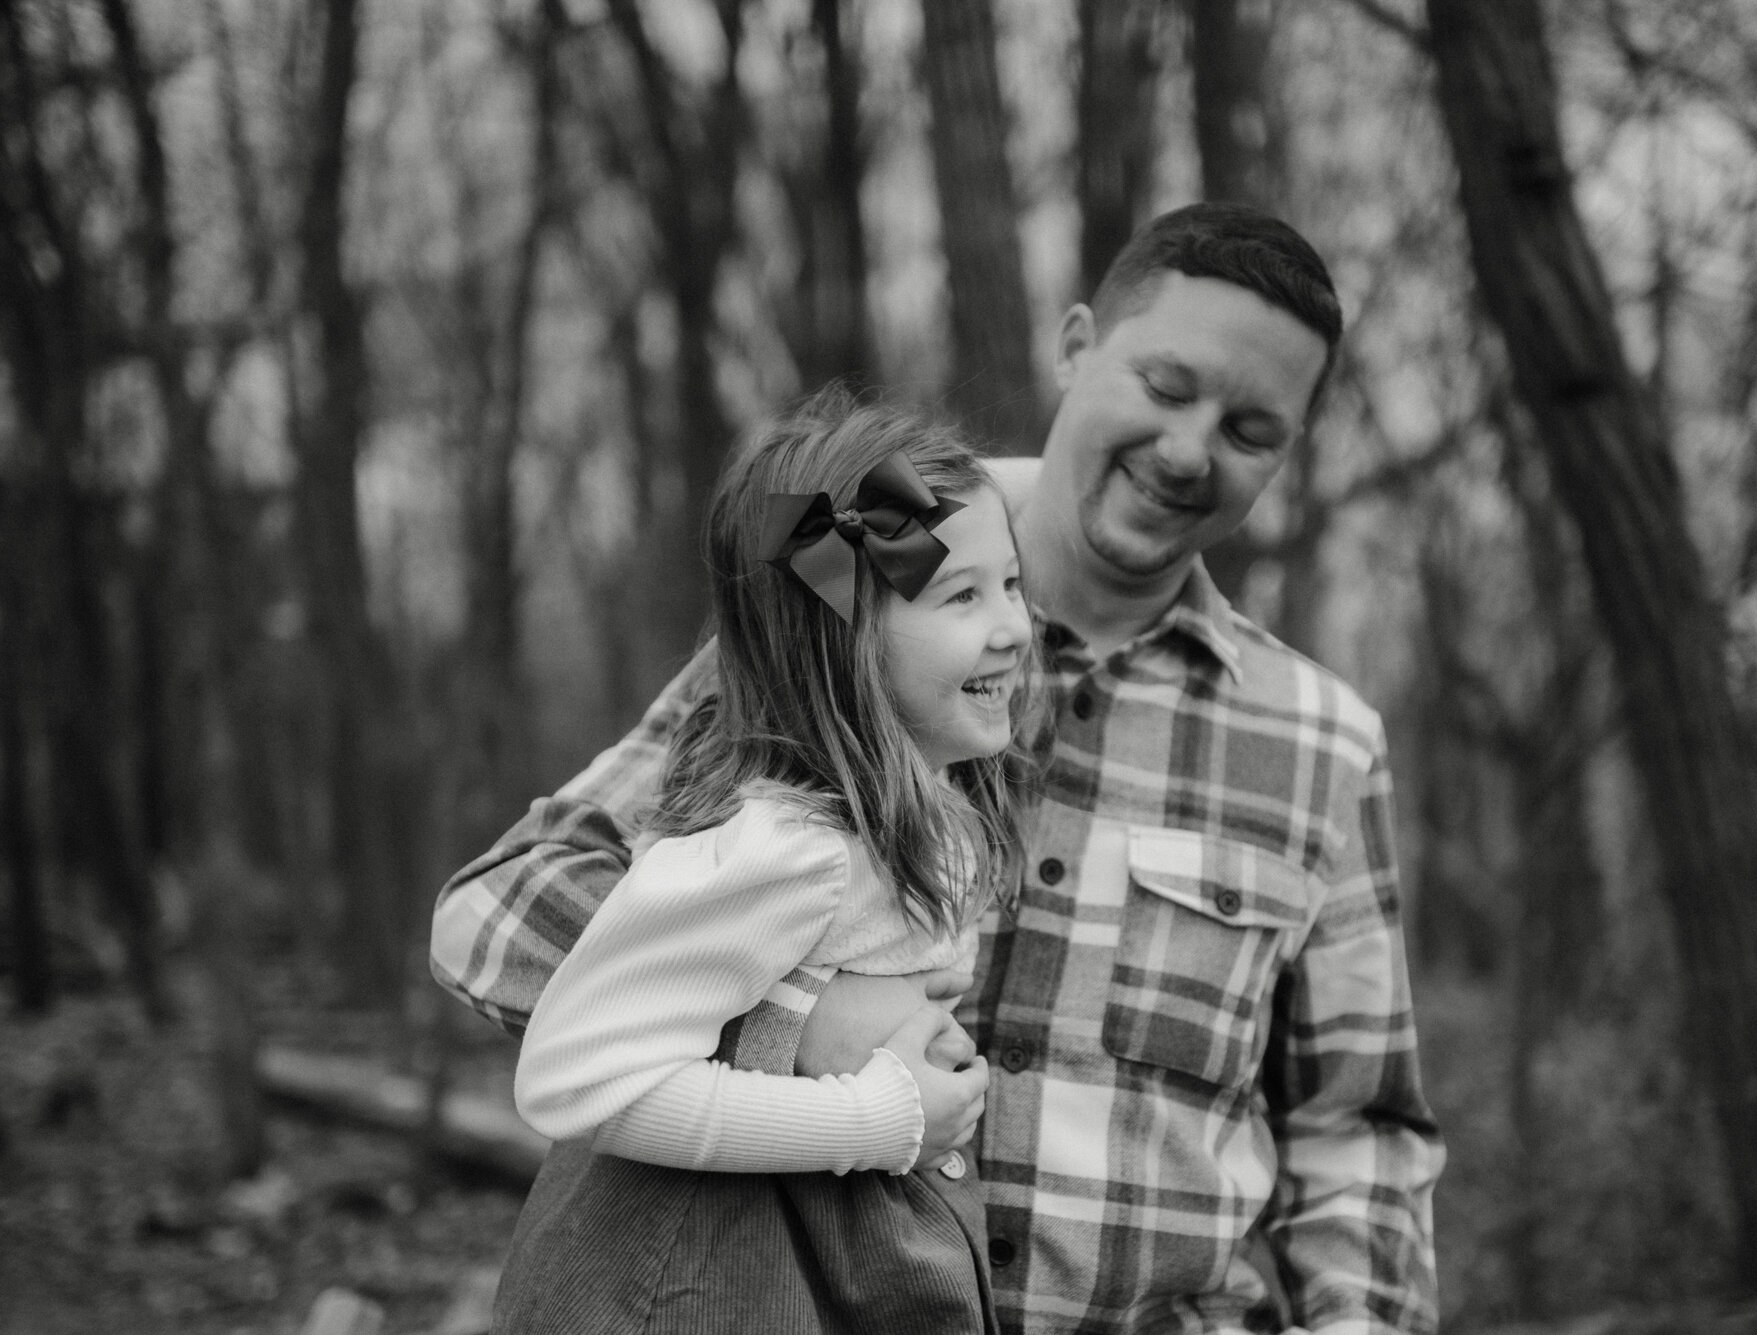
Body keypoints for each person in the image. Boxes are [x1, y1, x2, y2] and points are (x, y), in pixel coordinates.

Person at [434, 202, 1445, 1334]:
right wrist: (790, 1025)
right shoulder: (870, 565)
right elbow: (495, 914)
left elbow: (1357, 1136)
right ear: (1074, 346)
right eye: (1165, 387)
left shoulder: (1320, 738)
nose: (1185, 451)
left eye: (1250, 430)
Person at [485, 393, 1036, 1334]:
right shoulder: (792, 846)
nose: (1017, 628)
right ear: (847, 647)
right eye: (963, 597)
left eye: (1013, 584)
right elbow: (575, 1077)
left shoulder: (920, 816)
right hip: (707, 1278)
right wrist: (872, 1118)